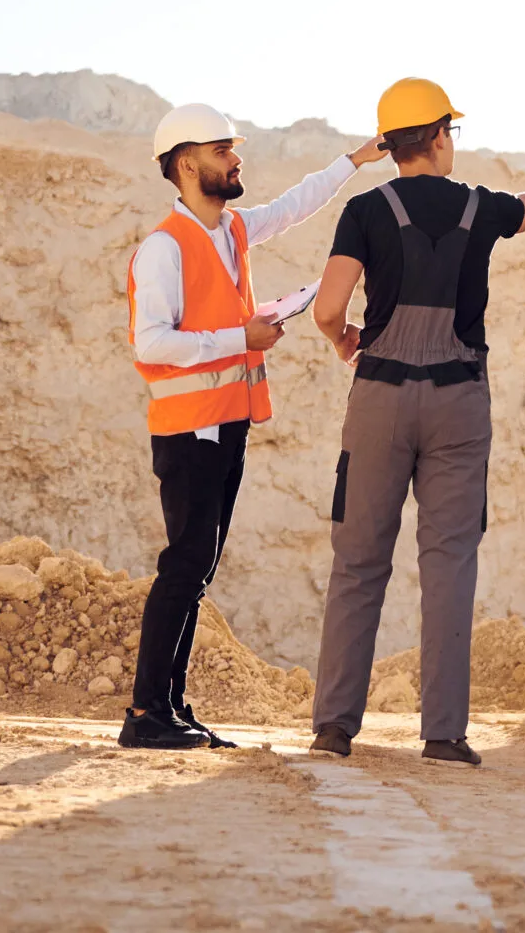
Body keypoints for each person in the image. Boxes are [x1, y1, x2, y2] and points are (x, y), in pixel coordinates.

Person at [306, 79, 525, 765]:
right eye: (450, 130)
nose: (453, 141)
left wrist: (344, 340)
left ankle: (334, 726)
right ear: (435, 137)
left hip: (380, 398)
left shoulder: (365, 210)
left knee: (358, 560)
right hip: (458, 402)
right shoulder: (479, 207)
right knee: (450, 562)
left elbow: (328, 308)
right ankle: (444, 735)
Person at [120, 103, 387, 750]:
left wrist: (354, 160)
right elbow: (150, 342)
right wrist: (241, 336)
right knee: (184, 565)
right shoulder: (163, 248)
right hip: (190, 430)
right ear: (188, 164)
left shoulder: (232, 229)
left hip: (227, 424)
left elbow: (294, 207)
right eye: (222, 150)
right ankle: (145, 713)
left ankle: (171, 706)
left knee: (198, 569)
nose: (236, 158)